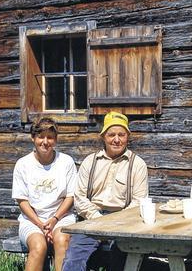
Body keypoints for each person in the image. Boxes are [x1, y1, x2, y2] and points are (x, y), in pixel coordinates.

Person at [62, 111, 149, 271]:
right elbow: (80, 198)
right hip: (90, 220)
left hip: (123, 223)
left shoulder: (137, 165)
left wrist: (114, 223)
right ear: (103, 137)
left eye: (121, 135)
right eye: (112, 135)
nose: (117, 140)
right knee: (72, 262)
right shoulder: (90, 162)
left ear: (127, 136)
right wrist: (97, 219)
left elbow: (138, 202)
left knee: (122, 261)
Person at [11, 117, 78, 271]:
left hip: (61, 217)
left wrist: (54, 220)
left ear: (56, 140)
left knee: (61, 240)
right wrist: (40, 224)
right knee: (38, 245)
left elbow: (71, 196)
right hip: (32, 219)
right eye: (41, 136)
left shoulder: (66, 162)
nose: (45, 142)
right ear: (33, 138)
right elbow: (22, 201)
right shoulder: (23, 164)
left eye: (50, 137)